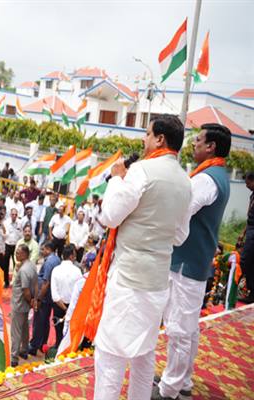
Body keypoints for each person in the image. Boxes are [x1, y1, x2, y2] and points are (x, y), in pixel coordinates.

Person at [93, 115, 191, 400]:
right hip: (158, 280)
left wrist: (115, 179)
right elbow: (180, 236)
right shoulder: (186, 181)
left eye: (147, 134)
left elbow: (110, 216)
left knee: (110, 354)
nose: (143, 140)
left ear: (160, 139)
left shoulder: (141, 171)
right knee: (144, 353)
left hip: (129, 279)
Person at [154, 123, 232, 400]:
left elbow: (181, 211)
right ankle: (181, 379)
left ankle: (170, 389)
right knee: (186, 327)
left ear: (211, 147)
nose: (193, 144)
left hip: (187, 262)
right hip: (192, 260)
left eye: (198, 140)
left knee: (178, 328)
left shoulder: (207, 179)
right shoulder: (215, 174)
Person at [28, 241, 60, 355]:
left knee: (38, 322)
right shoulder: (56, 259)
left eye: (43, 249)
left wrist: (39, 299)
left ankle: (33, 346)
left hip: (45, 297)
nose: (42, 252)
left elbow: (46, 283)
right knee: (45, 321)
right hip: (51, 297)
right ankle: (43, 344)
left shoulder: (49, 263)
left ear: (48, 249)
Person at [10, 244, 38, 367]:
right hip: (26, 304)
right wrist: (33, 300)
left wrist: (30, 300)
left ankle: (14, 358)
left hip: (20, 304)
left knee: (16, 332)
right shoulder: (32, 265)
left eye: (18, 253)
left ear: (25, 254)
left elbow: (26, 290)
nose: (16, 255)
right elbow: (36, 285)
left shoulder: (24, 270)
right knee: (25, 328)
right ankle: (24, 350)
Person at [50, 244, 82, 349]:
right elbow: (80, 292)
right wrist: (68, 310)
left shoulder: (56, 270)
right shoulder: (77, 271)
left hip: (59, 307)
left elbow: (55, 296)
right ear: (72, 256)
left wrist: (65, 308)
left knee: (59, 335)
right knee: (71, 335)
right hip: (73, 307)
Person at [238, 172, 254, 304]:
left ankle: (250, 290)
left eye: (248, 183)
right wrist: (243, 233)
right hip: (250, 230)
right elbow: (250, 218)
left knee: (245, 260)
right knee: (248, 262)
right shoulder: (252, 196)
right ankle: (251, 292)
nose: (247, 185)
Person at [3, 208, 23, 288]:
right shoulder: (6, 222)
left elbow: (21, 234)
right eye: (13, 214)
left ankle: (16, 281)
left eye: (15, 214)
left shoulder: (20, 223)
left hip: (16, 246)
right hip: (7, 245)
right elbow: (4, 234)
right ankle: (6, 281)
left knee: (17, 265)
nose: (14, 216)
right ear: (10, 215)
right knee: (5, 265)